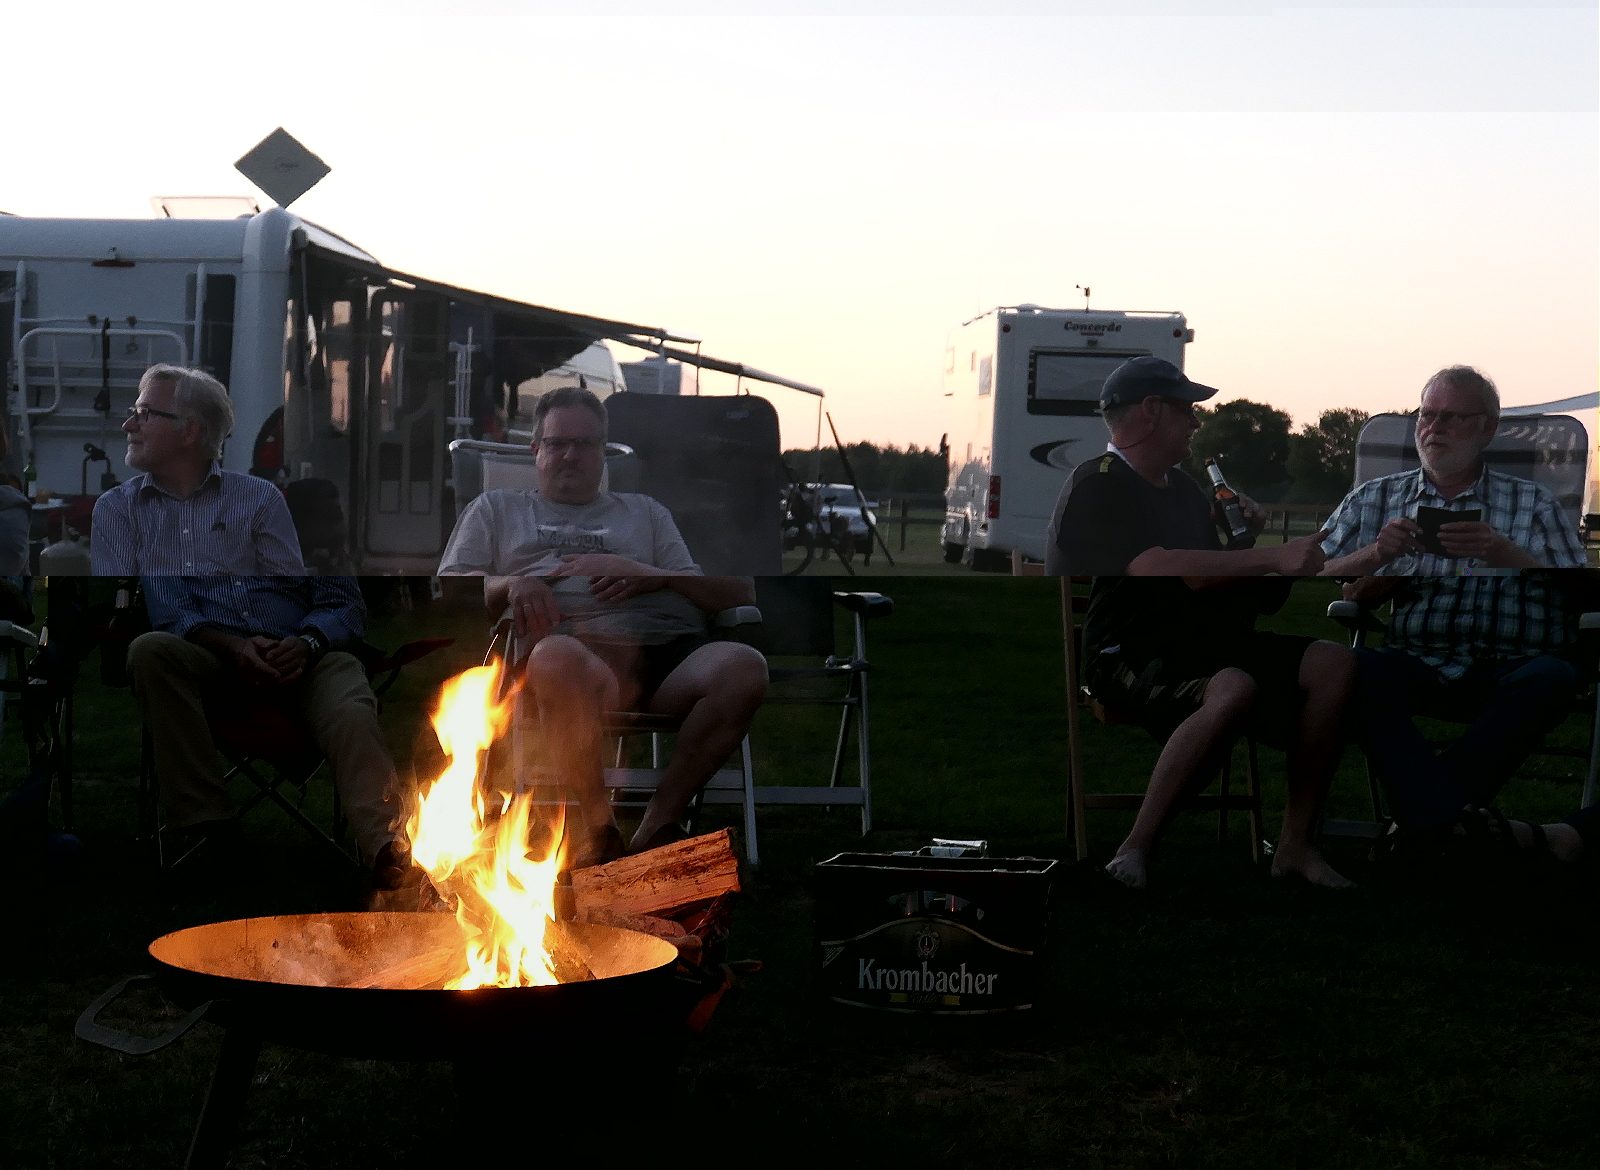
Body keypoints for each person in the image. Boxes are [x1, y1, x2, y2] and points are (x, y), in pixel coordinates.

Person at [1048, 357, 1353, 888]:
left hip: (1203, 642)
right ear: (1150, 410)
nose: (1195, 422)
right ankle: (1133, 855)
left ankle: (1295, 847)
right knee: (1233, 686)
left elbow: (1219, 587)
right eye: (1186, 409)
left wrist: (1268, 556)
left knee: (1334, 665)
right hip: (1129, 651)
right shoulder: (1099, 485)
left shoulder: (1187, 491)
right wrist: (1270, 556)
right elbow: (1162, 567)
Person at [437, 386, 768, 864]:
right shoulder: (497, 509)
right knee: (555, 658)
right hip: (574, 653)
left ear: (603, 452)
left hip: (667, 653)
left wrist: (647, 572)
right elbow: (452, 587)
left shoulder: (646, 513)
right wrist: (513, 583)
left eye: (585, 444)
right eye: (558, 443)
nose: (571, 455)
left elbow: (736, 592)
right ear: (536, 449)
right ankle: (600, 828)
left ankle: (659, 822)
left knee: (745, 668)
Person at [128, 576, 411, 888]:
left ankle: (388, 849)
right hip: (214, 662)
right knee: (149, 650)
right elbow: (172, 614)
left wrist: (308, 643)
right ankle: (211, 827)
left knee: (350, 707)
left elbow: (346, 605)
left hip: (309, 658)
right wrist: (236, 648)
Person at [1342, 569, 1598, 858]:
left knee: (1551, 678)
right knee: (1354, 670)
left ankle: (1422, 821)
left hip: (1526, 661)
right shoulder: (1415, 539)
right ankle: (1438, 824)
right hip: (1417, 656)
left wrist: (1542, 560)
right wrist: (1416, 555)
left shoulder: (1556, 539)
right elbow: (1356, 593)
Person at [1320, 365, 1586, 574]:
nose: (1434, 428)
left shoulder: (1535, 504)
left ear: (1488, 428)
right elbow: (1312, 573)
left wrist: (1506, 554)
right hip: (1413, 630)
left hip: (1506, 629)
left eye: (1451, 417)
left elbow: (1585, 595)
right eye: (1427, 415)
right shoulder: (1371, 498)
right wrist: (1376, 554)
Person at [91, 364, 305, 575]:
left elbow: (287, 591)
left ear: (189, 431)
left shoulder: (259, 500)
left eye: (143, 413)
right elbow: (118, 595)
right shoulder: (117, 508)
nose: (128, 425)